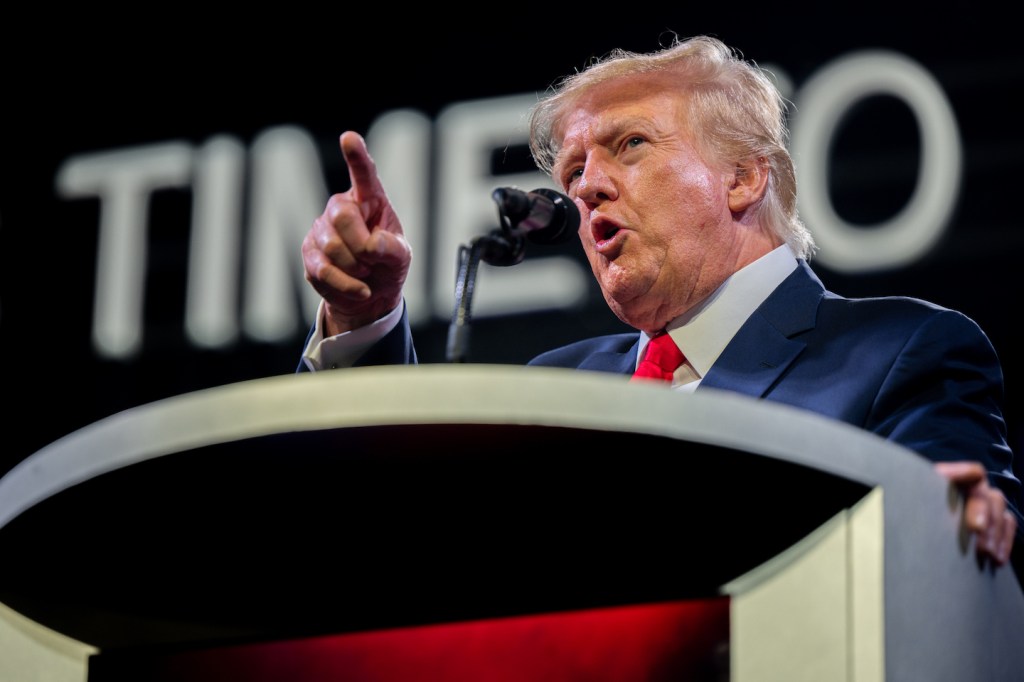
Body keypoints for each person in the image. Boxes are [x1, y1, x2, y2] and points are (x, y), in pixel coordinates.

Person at [298, 34, 1021, 570]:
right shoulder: (557, 386)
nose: (586, 187)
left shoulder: (900, 351)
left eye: (630, 145)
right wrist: (365, 318)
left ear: (742, 176)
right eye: (575, 168)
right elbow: (400, 531)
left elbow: (960, 530)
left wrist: (957, 520)